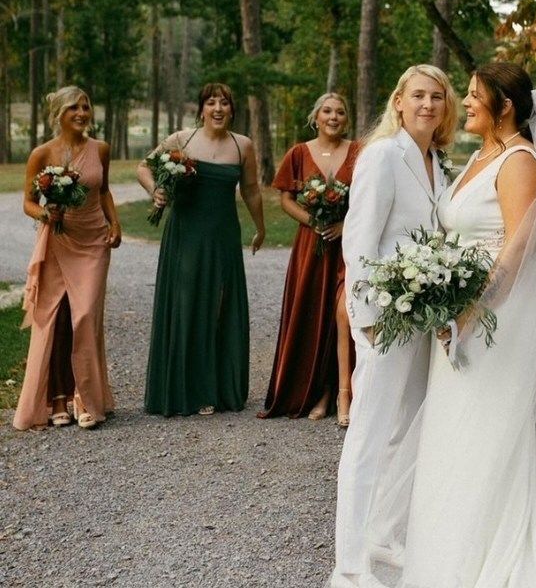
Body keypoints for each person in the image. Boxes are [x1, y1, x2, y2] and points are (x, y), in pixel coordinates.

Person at [359, 63, 536, 588]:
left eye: (471, 96)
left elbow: (516, 251)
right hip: (458, 321)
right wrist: (437, 299)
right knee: (454, 438)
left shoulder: (521, 162)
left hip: (494, 327)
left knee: (485, 441)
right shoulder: (480, 157)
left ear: (504, 106)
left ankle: (496, 561)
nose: (461, 104)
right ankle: (448, 556)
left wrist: (470, 311)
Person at [330, 64, 458, 588]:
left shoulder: (439, 164)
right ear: (399, 101)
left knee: (409, 431)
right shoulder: (382, 155)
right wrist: (367, 321)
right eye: (419, 96)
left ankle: (385, 534)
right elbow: (359, 243)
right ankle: (350, 563)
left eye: (438, 97)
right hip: (387, 320)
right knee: (368, 435)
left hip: (425, 321)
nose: (428, 105)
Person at [140, 82, 265, 417]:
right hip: (185, 236)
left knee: (218, 306)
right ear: (201, 109)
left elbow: (251, 190)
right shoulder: (182, 140)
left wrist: (260, 227)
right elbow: (144, 166)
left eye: (225, 103)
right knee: (186, 305)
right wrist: (156, 192)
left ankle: (215, 389)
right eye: (211, 103)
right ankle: (184, 390)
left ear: (233, 110)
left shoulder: (243, 146)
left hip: (223, 236)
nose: (218, 109)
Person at [14, 87, 120, 431]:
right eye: (74, 107)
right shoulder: (42, 153)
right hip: (58, 241)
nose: (81, 113)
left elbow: (102, 190)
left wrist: (115, 224)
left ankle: (85, 399)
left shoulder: (100, 149)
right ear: (59, 113)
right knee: (58, 319)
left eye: (86, 106)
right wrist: (46, 215)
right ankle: (58, 399)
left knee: (86, 316)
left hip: (93, 241)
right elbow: (28, 202)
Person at [258, 93, 358, 425]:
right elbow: (285, 198)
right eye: (327, 111)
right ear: (316, 117)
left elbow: (370, 196)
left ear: (346, 118)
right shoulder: (299, 153)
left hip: (346, 245)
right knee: (312, 312)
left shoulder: (359, 152)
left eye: (340, 112)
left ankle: (337, 390)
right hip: (310, 247)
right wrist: (312, 220)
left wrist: (345, 225)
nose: (333, 117)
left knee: (342, 315)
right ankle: (313, 391)